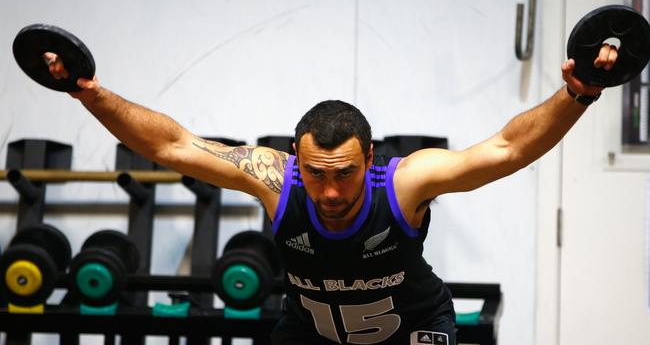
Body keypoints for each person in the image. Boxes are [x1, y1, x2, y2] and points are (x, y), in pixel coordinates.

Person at [44, 42, 618, 345]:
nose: (330, 190)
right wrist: (88, 94)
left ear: (370, 158)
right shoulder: (275, 179)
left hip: (413, 329)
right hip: (311, 334)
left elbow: (505, 151)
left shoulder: (404, 183)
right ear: (296, 160)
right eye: (316, 173)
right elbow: (171, 146)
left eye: (344, 172)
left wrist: (579, 94)